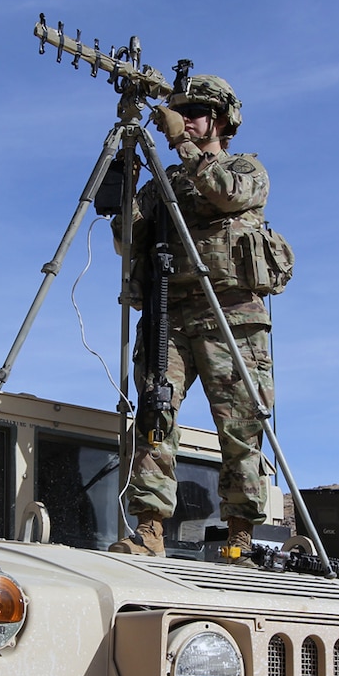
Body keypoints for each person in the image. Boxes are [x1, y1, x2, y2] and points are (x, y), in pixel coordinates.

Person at [108, 74, 293, 562]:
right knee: (154, 414)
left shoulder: (245, 168)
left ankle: (240, 534)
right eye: (180, 111)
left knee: (240, 427)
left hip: (230, 316)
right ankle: (149, 528)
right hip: (169, 313)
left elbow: (228, 194)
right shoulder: (164, 185)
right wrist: (125, 187)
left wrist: (181, 144)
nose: (185, 119)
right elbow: (128, 242)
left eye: (195, 112)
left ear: (221, 120)